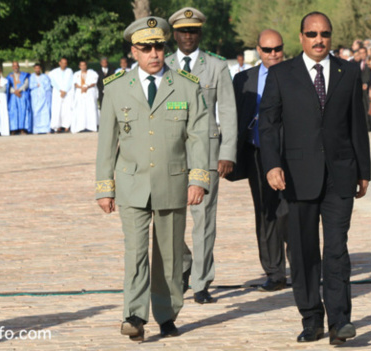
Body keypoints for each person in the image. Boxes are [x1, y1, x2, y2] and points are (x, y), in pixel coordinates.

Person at [259, 12, 371, 345]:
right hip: (296, 177)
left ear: (330, 36)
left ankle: (340, 322)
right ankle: (311, 318)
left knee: (336, 250)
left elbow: (357, 124)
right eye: (312, 33)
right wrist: (271, 165)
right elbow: (268, 125)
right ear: (301, 36)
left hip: (340, 176)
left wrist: (364, 170)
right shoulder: (281, 74)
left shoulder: (348, 71)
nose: (318, 39)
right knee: (305, 252)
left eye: (324, 33)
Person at [96, 16, 210, 341]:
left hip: (171, 182)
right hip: (131, 183)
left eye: (158, 46)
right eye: (146, 48)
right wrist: (105, 188)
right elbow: (107, 142)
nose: (154, 53)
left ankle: (166, 312)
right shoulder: (116, 89)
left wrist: (198, 179)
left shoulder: (186, 85)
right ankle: (133, 314)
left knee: (169, 255)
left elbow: (199, 135)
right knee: (136, 252)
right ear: (134, 51)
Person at [165, 6, 237, 304]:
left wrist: (227, 152)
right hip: (171, 153)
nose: (188, 36)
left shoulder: (216, 66)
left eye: (193, 31)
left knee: (204, 219)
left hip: (206, 153)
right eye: (183, 31)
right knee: (166, 218)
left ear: (199, 33)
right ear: (175, 34)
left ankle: (201, 282)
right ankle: (185, 265)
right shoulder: (164, 64)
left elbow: (228, 111)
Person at [228, 29, 287, 292]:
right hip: (256, 154)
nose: (273, 55)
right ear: (258, 50)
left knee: (292, 212)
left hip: (290, 155)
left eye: (278, 49)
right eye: (268, 50)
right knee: (266, 212)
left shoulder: (296, 75)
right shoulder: (243, 80)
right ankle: (274, 271)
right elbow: (233, 119)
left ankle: (302, 266)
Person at [72, 60, 99, 133]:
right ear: (79, 66)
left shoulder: (92, 73)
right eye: (81, 65)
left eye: (84, 65)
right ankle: (80, 127)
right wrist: (82, 88)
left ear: (86, 66)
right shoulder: (76, 74)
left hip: (89, 92)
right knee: (80, 110)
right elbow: (75, 84)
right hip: (80, 93)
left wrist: (87, 87)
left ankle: (92, 127)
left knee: (90, 109)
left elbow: (94, 82)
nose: (83, 67)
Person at [48, 58, 74, 133]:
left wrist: (65, 90)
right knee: (57, 109)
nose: (64, 64)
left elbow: (70, 81)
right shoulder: (54, 72)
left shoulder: (69, 71)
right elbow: (52, 82)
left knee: (67, 109)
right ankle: (57, 127)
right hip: (58, 92)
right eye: (62, 63)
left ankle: (67, 126)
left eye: (65, 63)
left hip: (67, 92)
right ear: (59, 63)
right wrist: (60, 90)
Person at [6, 61, 32, 134]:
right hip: (13, 96)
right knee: (13, 112)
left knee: (23, 111)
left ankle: (22, 128)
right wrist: (14, 91)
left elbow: (26, 84)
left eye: (16, 66)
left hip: (22, 95)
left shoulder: (24, 75)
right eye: (14, 66)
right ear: (12, 67)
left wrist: (19, 90)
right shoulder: (9, 76)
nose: (15, 67)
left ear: (19, 66)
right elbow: (8, 86)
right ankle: (13, 129)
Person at [29, 63, 52, 134]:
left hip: (44, 98)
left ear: (40, 68)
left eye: (38, 68)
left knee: (45, 113)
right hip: (35, 98)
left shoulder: (45, 77)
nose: (37, 70)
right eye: (36, 68)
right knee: (36, 113)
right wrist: (36, 85)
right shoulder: (31, 77)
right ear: (34, 69)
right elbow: (30, 86)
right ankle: (36, 130)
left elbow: (48, 87)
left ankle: (46, 129)